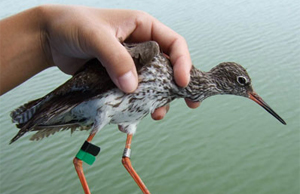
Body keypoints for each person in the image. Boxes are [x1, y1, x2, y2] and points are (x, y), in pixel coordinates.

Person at [0, 4, 200, 120]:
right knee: (83, 158)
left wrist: (47, 37)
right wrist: (46, 37)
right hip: (94, 100)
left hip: (111, 107)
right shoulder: (155, 54)